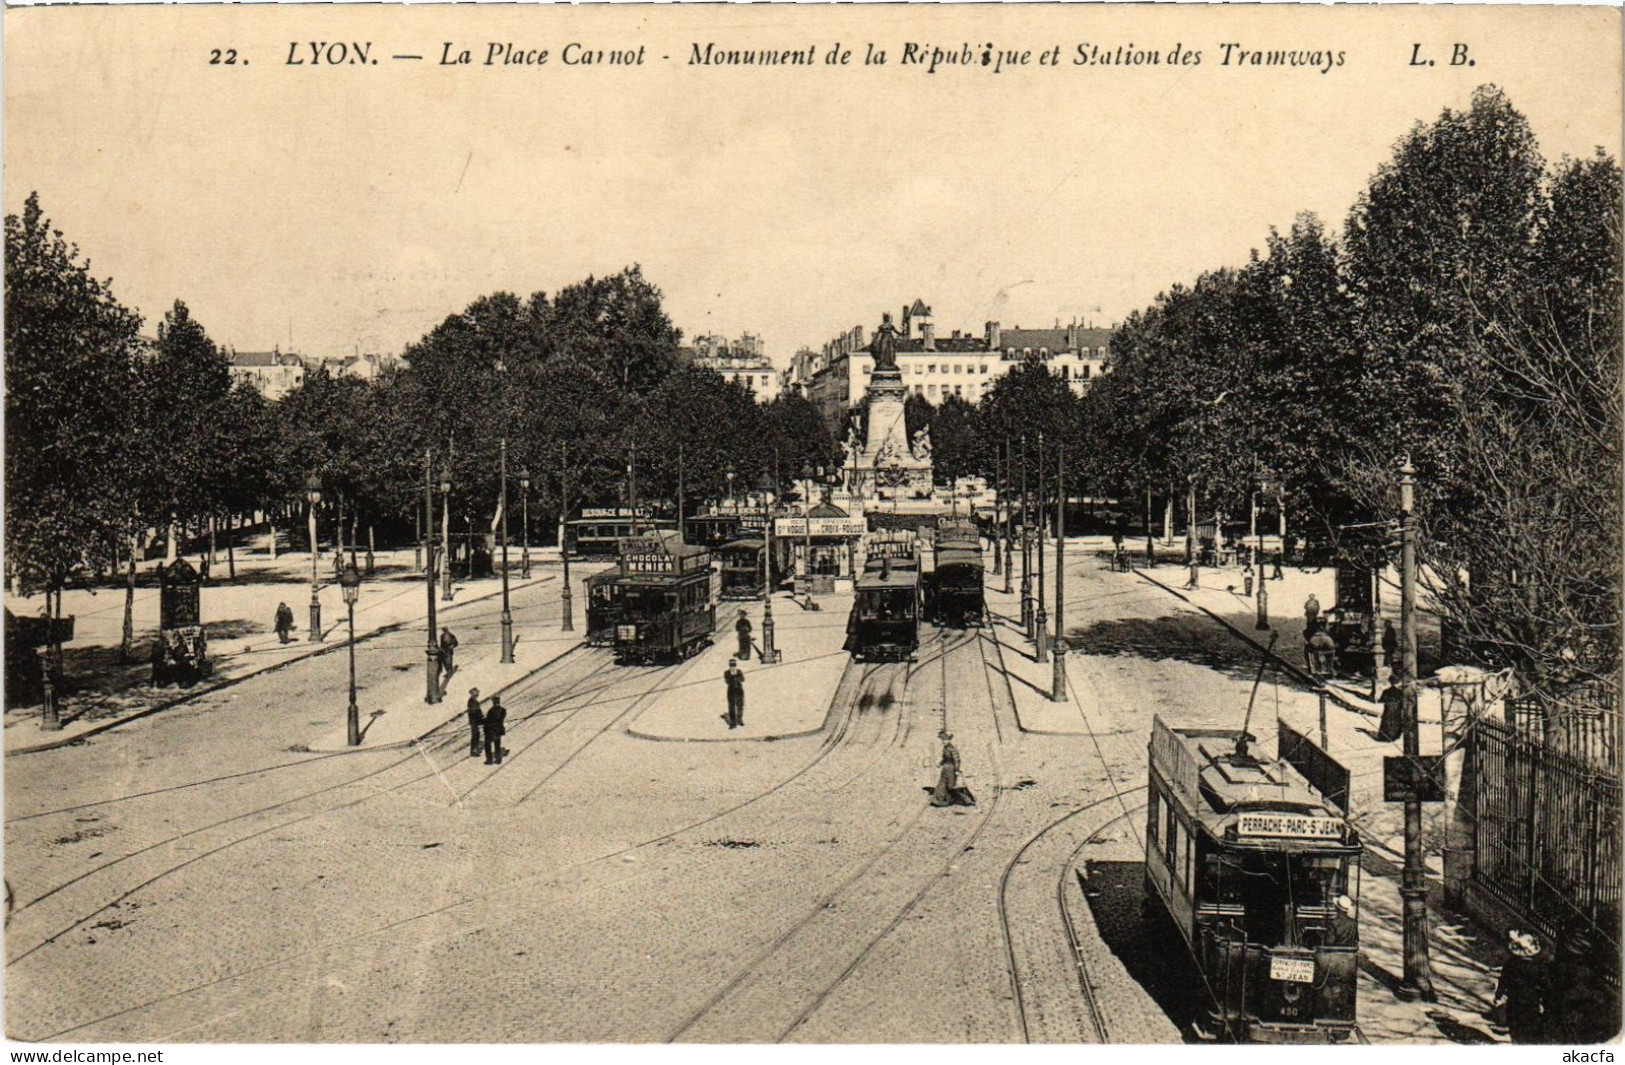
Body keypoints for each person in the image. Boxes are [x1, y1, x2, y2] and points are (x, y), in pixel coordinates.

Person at [1494, 929, 1553, 1044]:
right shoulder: (1539, 966)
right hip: (1531, 1001)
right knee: (1529, 1025)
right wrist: (1545, 1001)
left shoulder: (1511, 964)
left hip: (1515, 999)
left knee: (1515, 1024)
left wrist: (1499, 994)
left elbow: (1503, 981)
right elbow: (1545, 985)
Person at [482, 695, 506, 765]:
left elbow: (489, 720)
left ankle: (489, 760)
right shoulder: (503, 710)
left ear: (493, 702)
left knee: (487, 745)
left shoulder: (491, 710)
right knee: (497, 745)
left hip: (491, 731)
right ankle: (498, 760)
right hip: (499, 730)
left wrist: (483, 721)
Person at [723, 659, 746, 729]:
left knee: (740, 706)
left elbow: (743, 679)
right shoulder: (726, 673)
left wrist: (737, 677)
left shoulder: (739, 671)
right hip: (731, 691)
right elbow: (727, 682)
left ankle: (739, 719)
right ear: (729, 666)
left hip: (739, 691)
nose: (733, 667)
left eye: (734, 665)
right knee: (731, 707)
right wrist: (733, 677)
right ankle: (733, 723)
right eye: (731, 665)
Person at [465, 688, 484, 758]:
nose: (477, 695)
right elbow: (474, 712)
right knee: (475, 736)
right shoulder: (472, 702)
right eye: (476, 694)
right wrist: (480, 717)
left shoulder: (473, 701)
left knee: (476, 735)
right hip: (474, 722)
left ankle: (475, 750)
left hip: (475, 721)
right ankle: (474, 751)